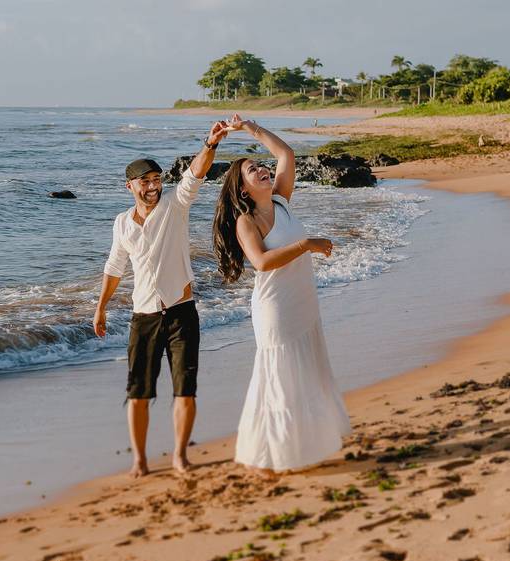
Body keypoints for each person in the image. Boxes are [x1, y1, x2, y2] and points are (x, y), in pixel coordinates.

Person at [212, 113, 351, 475]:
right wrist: (305, 244)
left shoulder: (281, 201)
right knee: (278, 382)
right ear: (243, 189)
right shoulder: (247, 221)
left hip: (302, 300)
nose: (262, 170)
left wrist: (250, 128)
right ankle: (271, 454)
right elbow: (260, 262)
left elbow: (286, 154)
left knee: (306, 373)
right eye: (252, 171)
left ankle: (305, 445)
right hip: (275, 308)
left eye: (261, 166)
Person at [93, 120, 229, 478]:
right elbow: (114, 266)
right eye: (146, 181)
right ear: (130, 186)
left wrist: (210, 144)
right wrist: (101, 307)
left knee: (185, 389)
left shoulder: (175, 206)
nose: (153, 186)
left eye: (156, 180)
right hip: (144, 317)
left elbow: (194, 176)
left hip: (182, 314)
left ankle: (180, 455)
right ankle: (139, 459)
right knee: (138, 393)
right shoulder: (122, 223)